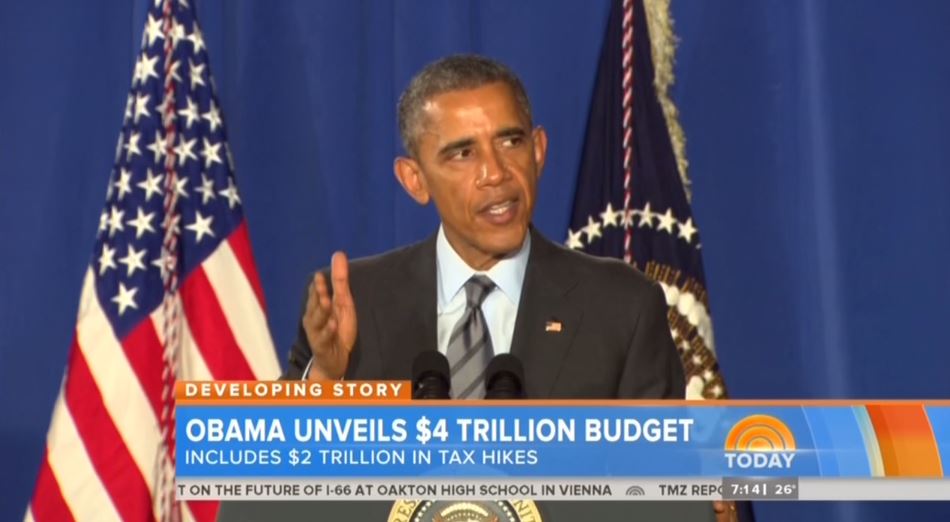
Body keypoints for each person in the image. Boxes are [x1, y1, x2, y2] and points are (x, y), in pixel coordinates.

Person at [284, 54, 685, 401]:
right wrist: (325, 379)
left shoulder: (623, 307)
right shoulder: (355, 303)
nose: (495, 173)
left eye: (511, 142)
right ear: (414, 180)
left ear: (538, 151)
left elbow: (660, 464)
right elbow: (278, 467)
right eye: (463, 153)